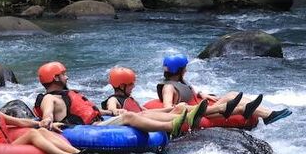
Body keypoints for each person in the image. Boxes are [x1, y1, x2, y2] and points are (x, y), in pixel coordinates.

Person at [33, 62, 206, 139]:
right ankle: (172, 126)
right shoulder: (49, 98)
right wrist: (47, 121)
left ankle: (184, 117)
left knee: (130, 113)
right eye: (63, 74)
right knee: (129, 117)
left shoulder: (64, 95)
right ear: (55, 77)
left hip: (96, 122)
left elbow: (89, 111)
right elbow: (47, 115)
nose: (67, 77)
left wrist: (111, 112)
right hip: (88, 130)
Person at [158, 54, 292, 125]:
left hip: (201, 109)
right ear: (180, 69)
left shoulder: (178, 81)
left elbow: (188, 89)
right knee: (238, 103)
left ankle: (268, 113)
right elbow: (168, 108)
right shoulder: (169, 87)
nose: (186, 69)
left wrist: (200, 93)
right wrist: (183, 110)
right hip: (196, 114)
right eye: (184, 67)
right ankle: (268, 116)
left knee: (232, 94)